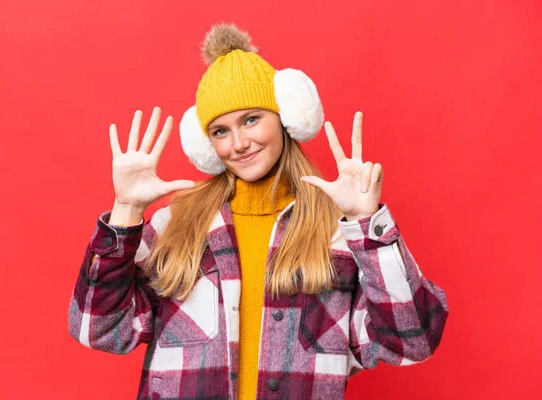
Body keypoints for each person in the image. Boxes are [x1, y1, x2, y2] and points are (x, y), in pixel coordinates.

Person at [68, 23, 448, 400]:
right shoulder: (175, 224)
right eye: (220, 131)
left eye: (251, 119)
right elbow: (98, 329)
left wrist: (367, 225)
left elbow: (411, 340)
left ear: (286, 118)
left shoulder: (337, 230)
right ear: (206, 144)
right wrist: (126, 208)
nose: (239, 143)